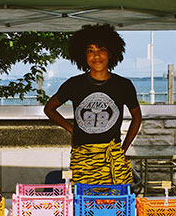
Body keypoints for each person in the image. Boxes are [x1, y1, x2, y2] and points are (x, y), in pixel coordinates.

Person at [44, 24, 142, 185]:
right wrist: (72, 129)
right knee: (83, 203)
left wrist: (123, 149)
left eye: (101, 49)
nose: (96, 56)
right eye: (90, 51)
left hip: (112, 158)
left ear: (110, 53)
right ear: (83, 55)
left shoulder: (123, 85)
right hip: (82, 158)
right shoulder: (74, 84)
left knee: (113, 203)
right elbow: (49, 108)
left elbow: (137, 117)